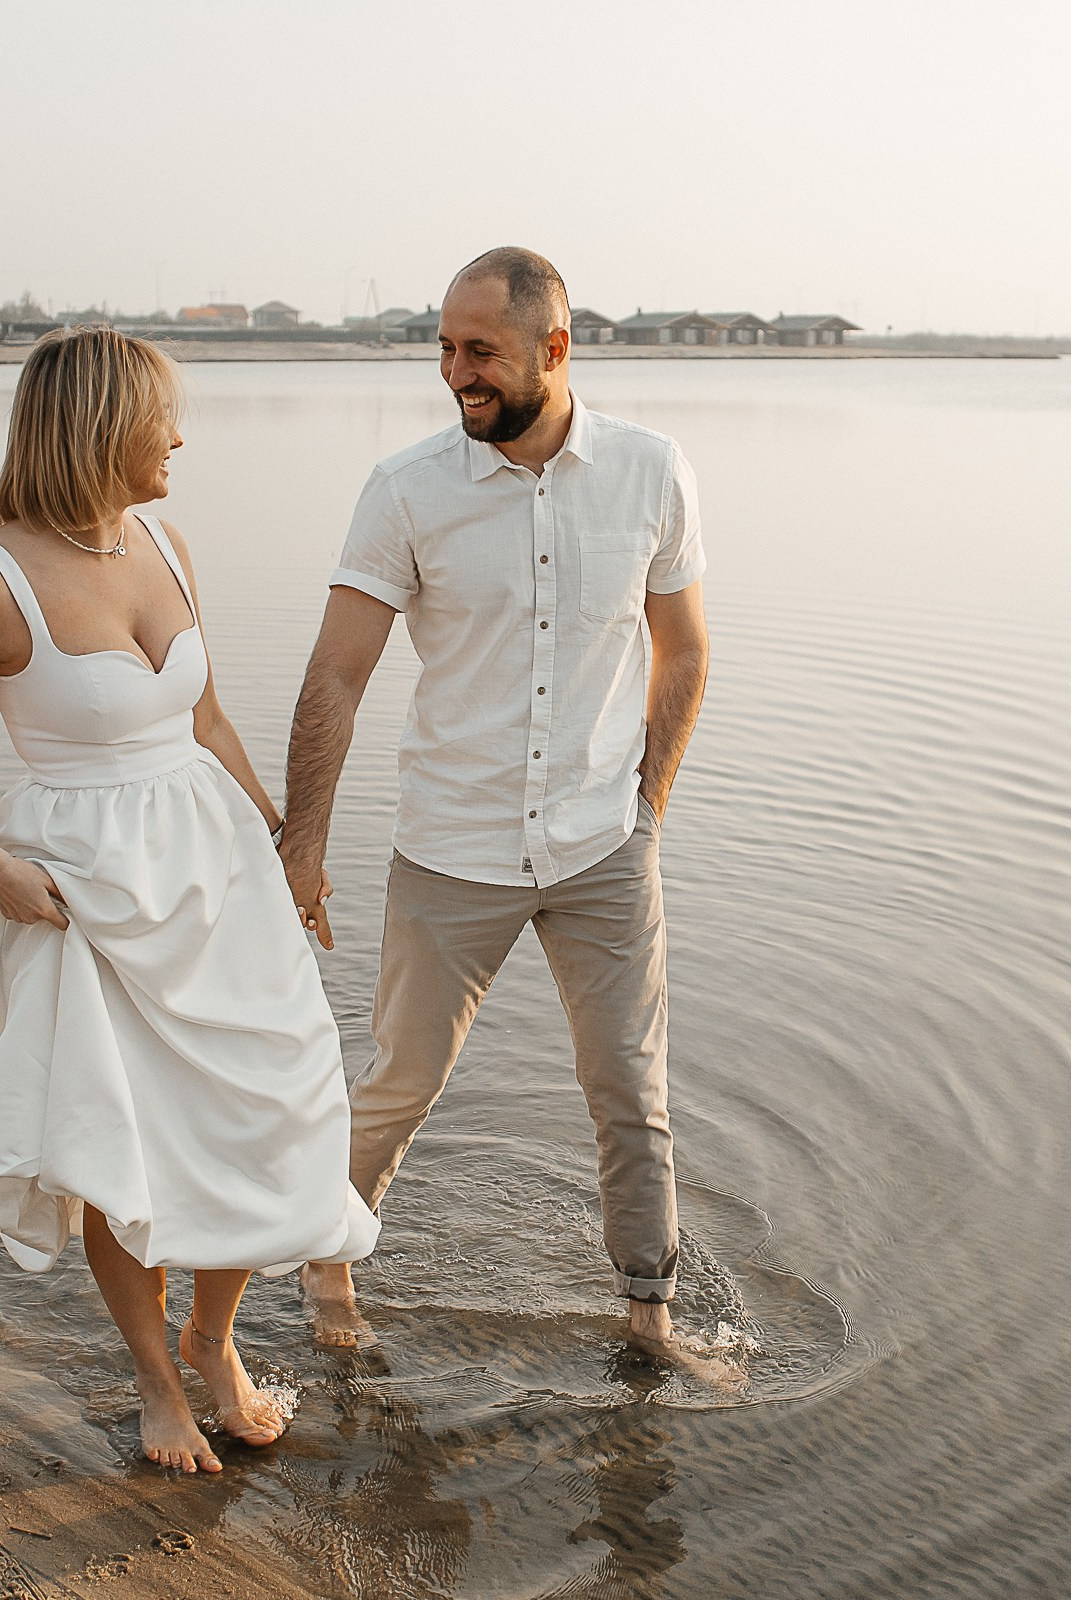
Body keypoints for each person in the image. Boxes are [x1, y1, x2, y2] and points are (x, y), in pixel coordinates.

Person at [0, 326, 376, 1473]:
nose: (181, 436)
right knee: (119, 1135)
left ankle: (215, 1339)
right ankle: (156, 1381)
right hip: (86, 891)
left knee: (276, 1100)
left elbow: (205, 719)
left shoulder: (169, 542)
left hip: (218, 868)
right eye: (164, 415)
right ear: (104, 426)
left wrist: (287, 844)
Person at [277, 247, 711, 1356]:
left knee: (630, 1085)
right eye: (443, 349)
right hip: (450, 846)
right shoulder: (406, 490)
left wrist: (646, 806)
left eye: (479, 352)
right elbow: (336, 674)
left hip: (604, 844)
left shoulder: (653, 472)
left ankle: (648, 1315)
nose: (454, 373)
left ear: (554, 351)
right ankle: (328, 1271)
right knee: (401, 1082)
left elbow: (686, 651)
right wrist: (303, 845)